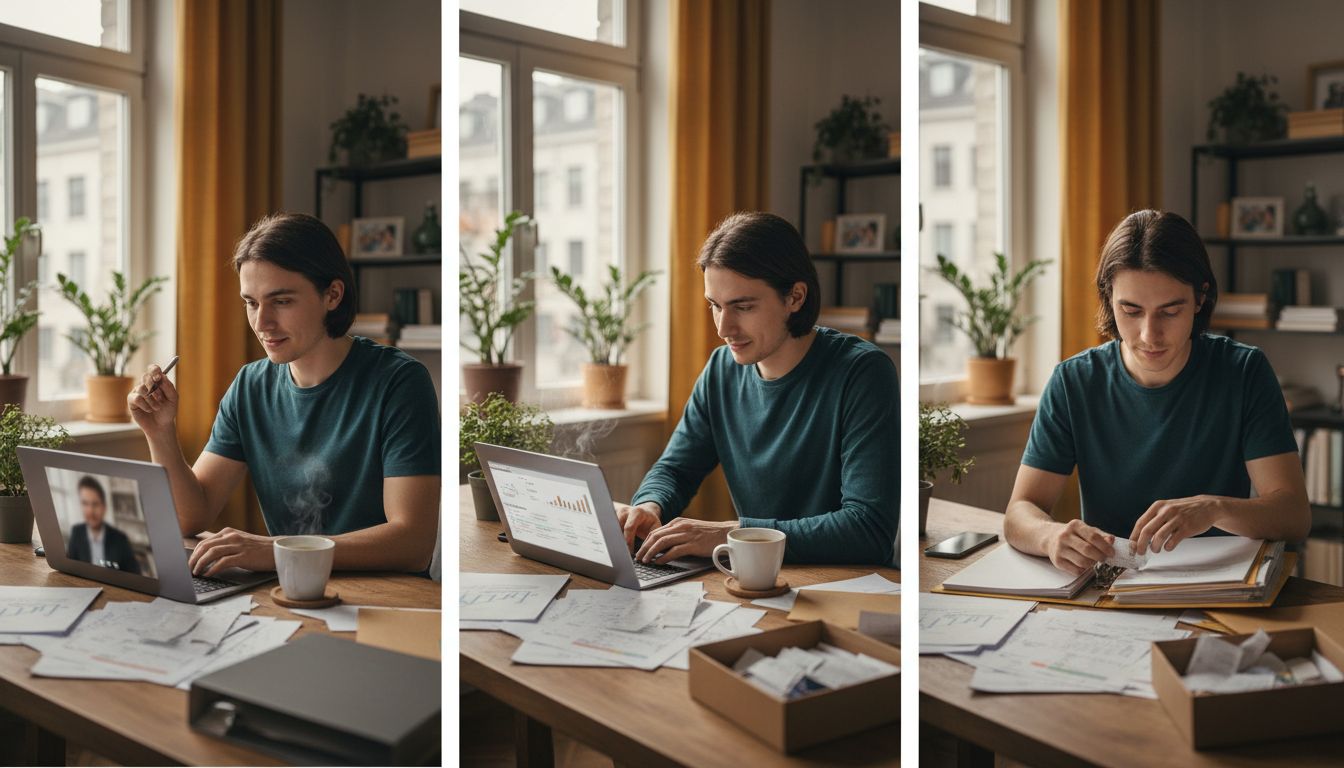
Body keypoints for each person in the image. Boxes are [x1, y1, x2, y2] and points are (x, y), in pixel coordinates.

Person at [127, 212, 441, 577]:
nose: (262, 323)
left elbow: (412, 544)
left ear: (332, 295)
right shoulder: (250, 386)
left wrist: (275, 549)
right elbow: (187, 518)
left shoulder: (399, 383)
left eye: (282, 301)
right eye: (251, 302)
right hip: (288, 592)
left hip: (386, 603)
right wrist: (160, 431)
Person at [1003, 210, 1309, 574]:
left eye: (1170, 311)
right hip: (1110, 589)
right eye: (1131, 310)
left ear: (1199, 299)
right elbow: (1020, 511)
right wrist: (1050, 536)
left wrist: (1214, 508)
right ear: (1108, 298)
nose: (1149, 335)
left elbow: (1293, 515)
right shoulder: (1074, 382)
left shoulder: (1243, 372)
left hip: (1216, 589)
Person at [616, 211, 898, 566]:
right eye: (715, 306)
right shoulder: (721, 370)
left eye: (743, 307)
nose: (723, 327)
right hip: (756, 579)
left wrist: (729, 535)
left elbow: (868, 529)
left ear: (795, 297)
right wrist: (649, 505)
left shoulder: (863, 373)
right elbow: (676, 469)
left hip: (845, 586)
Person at [66, 476, 141, 574]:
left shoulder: (120, 540)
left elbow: (135, 576)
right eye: (85, 503)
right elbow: (70, 570)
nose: (90, 511)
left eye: (95, 504)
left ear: (104, 507)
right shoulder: (77, 532)